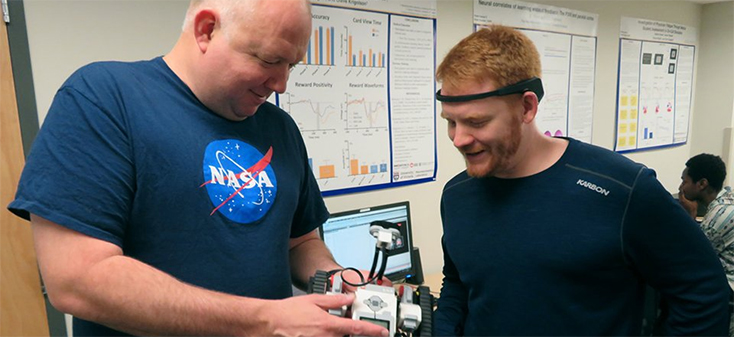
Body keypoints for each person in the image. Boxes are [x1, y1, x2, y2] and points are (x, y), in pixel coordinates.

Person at [7, 1, 388, 336]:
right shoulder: (103, 99)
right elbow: (77, 280)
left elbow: (300, 242)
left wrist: (336, 278)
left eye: (291, 65)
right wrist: (264, 320)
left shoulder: (280, 128)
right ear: (206, 30)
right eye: (270, 60)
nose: (282, 84)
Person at [433, 25, 730, 336]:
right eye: (451, 122)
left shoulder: (622, 189)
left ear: (526, 107)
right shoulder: (457, 195)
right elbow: (457, 284)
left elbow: (703, 293)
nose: (458, 139)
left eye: (476, 122)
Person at [679, 153, 734, 335]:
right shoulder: (727, 199)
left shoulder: (718, 216)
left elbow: (694, 258)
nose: (680, 188)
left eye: (684, 181)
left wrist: (691, 215)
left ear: (702, 184)